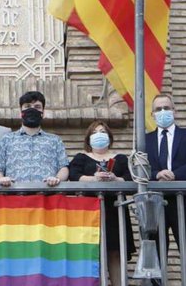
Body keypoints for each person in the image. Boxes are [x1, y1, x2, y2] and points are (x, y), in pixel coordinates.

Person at [145, 94, 186, 286]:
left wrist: (174, 175)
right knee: (155, 253)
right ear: (152, 114)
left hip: (184, 201)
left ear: (174, 110)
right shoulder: (145, 140)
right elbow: (140, 168)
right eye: (158, 109)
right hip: (155, 202)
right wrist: (157, 174)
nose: (163, 112)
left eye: (166, 108)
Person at [68, 120, 134, 285]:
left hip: (114, 210)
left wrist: (115, 179)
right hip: (89, 209)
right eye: (95, 132)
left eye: (103, 132)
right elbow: (74, 176)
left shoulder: (120, 158)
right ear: (89, 138)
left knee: (115, 252)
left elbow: (130, 179)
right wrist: (94, 179)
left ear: (109, 137)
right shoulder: (81, 158)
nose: (99, 135)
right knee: (90, 251)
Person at [0, 90, 69, 186]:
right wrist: (1, 179)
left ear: (43, 112)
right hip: (15, 198)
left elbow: (64, 167)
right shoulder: (6, 140)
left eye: (37, 107)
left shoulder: (55, 141)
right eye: (27, 106)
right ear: (21, 112)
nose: (32, 109)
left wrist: (57, 179)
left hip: (47, 197)